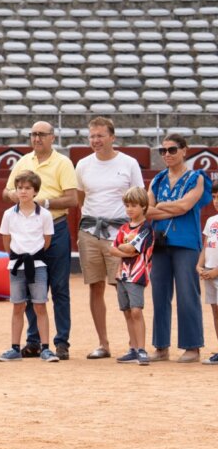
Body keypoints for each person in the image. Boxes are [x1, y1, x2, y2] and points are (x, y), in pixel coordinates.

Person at [3, 121, 78, 359]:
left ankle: (61, 341)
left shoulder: (63, 162)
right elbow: (6, 192)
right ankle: (34, 341)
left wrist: (43, 203)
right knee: (29, 284)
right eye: (33, 134)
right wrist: (13, 195)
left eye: (42, 135)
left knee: (58, 287)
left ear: (52, 137)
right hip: (28, 232)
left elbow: (72, 199)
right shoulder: (23, 162)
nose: (37, 139)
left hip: (54, 227)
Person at [74, 116, 144, 360]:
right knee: (95, 286)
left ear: (112, 137)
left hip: (120, 234)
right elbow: (81, 199)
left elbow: (139, 198)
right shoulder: (83, 164)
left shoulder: (129, 163)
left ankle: (134, 345)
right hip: (90, 232)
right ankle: (103, 343)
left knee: (124, 286)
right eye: (92, 136)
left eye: (101, 135)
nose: (96, 140)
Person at [146, 132, 209, 362]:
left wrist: (161, 206)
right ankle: (161, 346)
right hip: (161, 242)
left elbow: (186, 206)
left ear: (184, 150)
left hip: (186, 242)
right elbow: (146, 209)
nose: (167, 154)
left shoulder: (197, 177)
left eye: (172, 150)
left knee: (187, 294)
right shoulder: (158, 179)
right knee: (159, 294)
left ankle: (192, 346)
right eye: (163, 151)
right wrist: (168, 207)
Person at [0, 171, 58, 363]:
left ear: (35, 191)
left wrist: (32, 254)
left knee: (40, 305)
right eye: (20, 188)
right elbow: (6, 239)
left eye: (27, 188)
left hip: (37, 264)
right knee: (18, 306)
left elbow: (46, 241)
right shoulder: (8, 214)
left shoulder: (45, 215)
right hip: (16, 265)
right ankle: (15, 348)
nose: (23, 192)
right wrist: (16, 255)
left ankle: (46, 348)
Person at [106, 186, 154, 365]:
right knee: (127, 311)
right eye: (127, 206)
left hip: (137, 274)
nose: (129, 209)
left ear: (143, 206)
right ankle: (133, 348)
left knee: (136, 311)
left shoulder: (146, 228)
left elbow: (132, 248)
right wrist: (125, 251)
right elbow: (113, 249)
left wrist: (125, 249)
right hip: (122, 275)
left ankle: (141, 349)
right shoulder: (124, 228)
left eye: (133, 205)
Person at [199, 182, 218, 364]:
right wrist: (199, 265)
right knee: (215, 311)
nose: (216, 201)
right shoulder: (211, 221)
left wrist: (214, 272)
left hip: (215, 272)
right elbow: (207, 246)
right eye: (214, 197)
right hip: (209, 272)